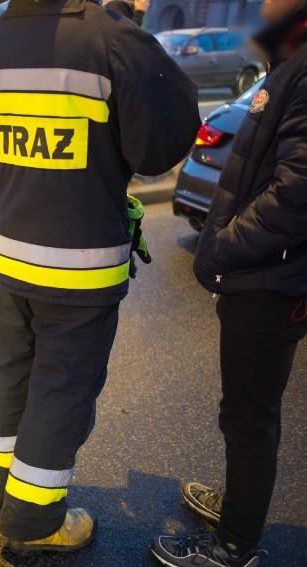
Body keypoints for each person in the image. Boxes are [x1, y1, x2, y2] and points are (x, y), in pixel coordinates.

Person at [0, 0, 199, 561]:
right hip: (80, 266)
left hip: (8, 257)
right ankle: (35, 522)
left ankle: (2, 490)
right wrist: (125, 26)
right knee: (61, 389)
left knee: (9, 373)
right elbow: (161, 144)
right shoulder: (109, 38)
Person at [151, 1, 307, 566]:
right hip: (266, 271)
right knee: (242, 411)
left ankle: (234, 546)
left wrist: (222, 247)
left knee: (249, 415)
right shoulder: (289, 57)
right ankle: (241, 508)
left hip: (270, 278)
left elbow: (297, 194)